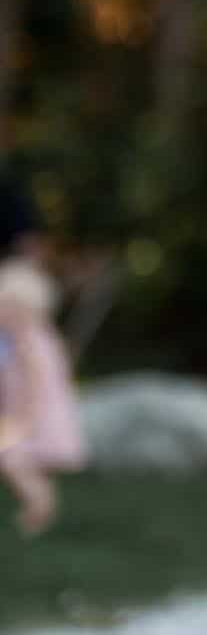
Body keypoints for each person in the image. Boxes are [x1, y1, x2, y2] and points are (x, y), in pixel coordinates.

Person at [0, 167, 87, 536]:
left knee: (12, 455)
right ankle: (38, 507)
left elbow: (34, 385)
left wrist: (22, 419)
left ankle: (38, 509)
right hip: (25, 416)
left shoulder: (32, 344)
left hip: (28, 420)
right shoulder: (31, 341)